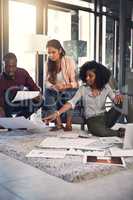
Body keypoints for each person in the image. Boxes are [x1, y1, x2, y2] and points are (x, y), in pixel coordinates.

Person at [43, 60, 125, 137]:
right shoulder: (83, 89)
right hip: (92, 121)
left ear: (98, 76)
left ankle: (129, 126)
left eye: (90, 76)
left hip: (106, 117)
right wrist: (57, 113)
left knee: (123, 101)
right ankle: (118, 133)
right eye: (86, 76)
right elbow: (71, 103)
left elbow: (115, 99)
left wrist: (118, 95)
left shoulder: (106, 87)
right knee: (99, 131)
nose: (87, 78)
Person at [43, 39, 78, 131]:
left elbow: (76, 83)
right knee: (47, 92)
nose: (51, 55)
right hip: (56, 90)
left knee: (69, 94)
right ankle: (58, 123)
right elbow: (46, 82)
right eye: (49, 53)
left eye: (53, 52)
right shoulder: (48, 63)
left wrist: (65, 86)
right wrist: (52, 86)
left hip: (69, 89)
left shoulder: (69, 61)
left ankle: (68, 123)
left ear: (60, 50)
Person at [0, 52, 43, 118]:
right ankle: (10, 122)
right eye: (7, 67)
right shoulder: (1, 79)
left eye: (13, 66)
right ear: (3, 65)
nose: (10, 70)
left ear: (16, 64)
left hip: (20, 102)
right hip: (6, 106)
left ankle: (20, 118)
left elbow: (34, 87)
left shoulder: (23, 73)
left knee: (40, 100)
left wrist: (37, 94)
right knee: (8, 95)